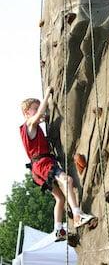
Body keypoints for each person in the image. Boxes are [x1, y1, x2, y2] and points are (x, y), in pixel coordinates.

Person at [20, 87, 95, 242]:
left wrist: (44, 118)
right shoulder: (29, 124)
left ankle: (58, 230)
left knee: (60, 198)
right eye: (35, 108)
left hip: (37, 168)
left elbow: (40, 117)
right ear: (27, 112)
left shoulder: (31, 128)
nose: (39, 111)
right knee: (67, 180)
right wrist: (47, 94)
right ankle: (77, 215)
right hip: (43, 163)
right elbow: (38, 115)